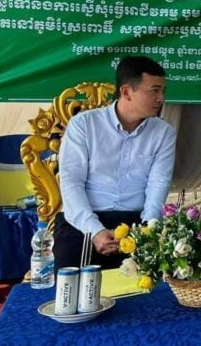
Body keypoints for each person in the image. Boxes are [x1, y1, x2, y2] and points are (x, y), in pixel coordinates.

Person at [55, 56, 176, 270]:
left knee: (148, 293)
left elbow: (159, 182)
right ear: (127, 92)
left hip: (136, 220)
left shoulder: (163, 132)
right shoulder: (84, 125)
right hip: (83, 220)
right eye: (154, 91)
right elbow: (71, 181)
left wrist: (147, 230)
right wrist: (95, 230)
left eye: (163, 91)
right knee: (71, 291)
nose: (161, 98)